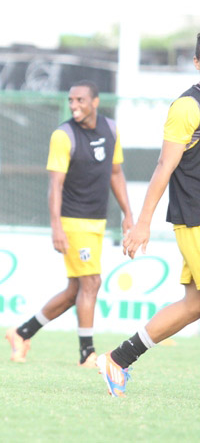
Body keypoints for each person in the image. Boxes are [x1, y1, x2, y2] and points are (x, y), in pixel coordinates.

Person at [98, 35, 200, 397]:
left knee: (193, 306)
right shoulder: (187, 106)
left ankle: (118, 360)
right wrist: (142, 222)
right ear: (197, 63)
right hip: (195, 217)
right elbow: (164, 166)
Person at [6, 81, 133, 367]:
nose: (74, 105)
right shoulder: (63, 135)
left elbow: (115, 173)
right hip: (73, 221)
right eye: (71, 100)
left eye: (80, 100)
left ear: (95, 102)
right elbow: (55, 185)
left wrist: (129, 213)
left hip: (97, 221)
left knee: (75, 290)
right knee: (92, 282)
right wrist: (56, 226)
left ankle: (21, 333)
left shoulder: (111, 129)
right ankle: (86, 353)